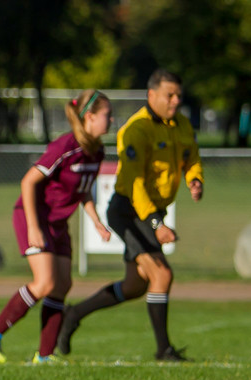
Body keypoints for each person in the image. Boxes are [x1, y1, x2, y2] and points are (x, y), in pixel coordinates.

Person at [57, 69, 203, 362]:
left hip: (151, 212)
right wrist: (156, 224)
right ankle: (164, 350)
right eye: (169, 95)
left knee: (135, 286)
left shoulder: (182, 124)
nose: (175, 101)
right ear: (152, 95)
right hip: (128, 210)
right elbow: (135, 184)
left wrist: (194, 178)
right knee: (162, 274)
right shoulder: (136, 130)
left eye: (178, 95)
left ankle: (73, 314)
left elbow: (191, 157)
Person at [0, 89, 112, 364]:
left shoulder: (96, 152)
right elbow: (28, 182)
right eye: (107, 115)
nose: (111, 120)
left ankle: (45, 356)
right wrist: (34, 227)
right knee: (46, 282)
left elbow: (82, 190)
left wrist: (96, 221)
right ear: (90, 117)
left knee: (62, 284)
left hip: (57, 222)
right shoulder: (65, 146)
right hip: (33, 216)